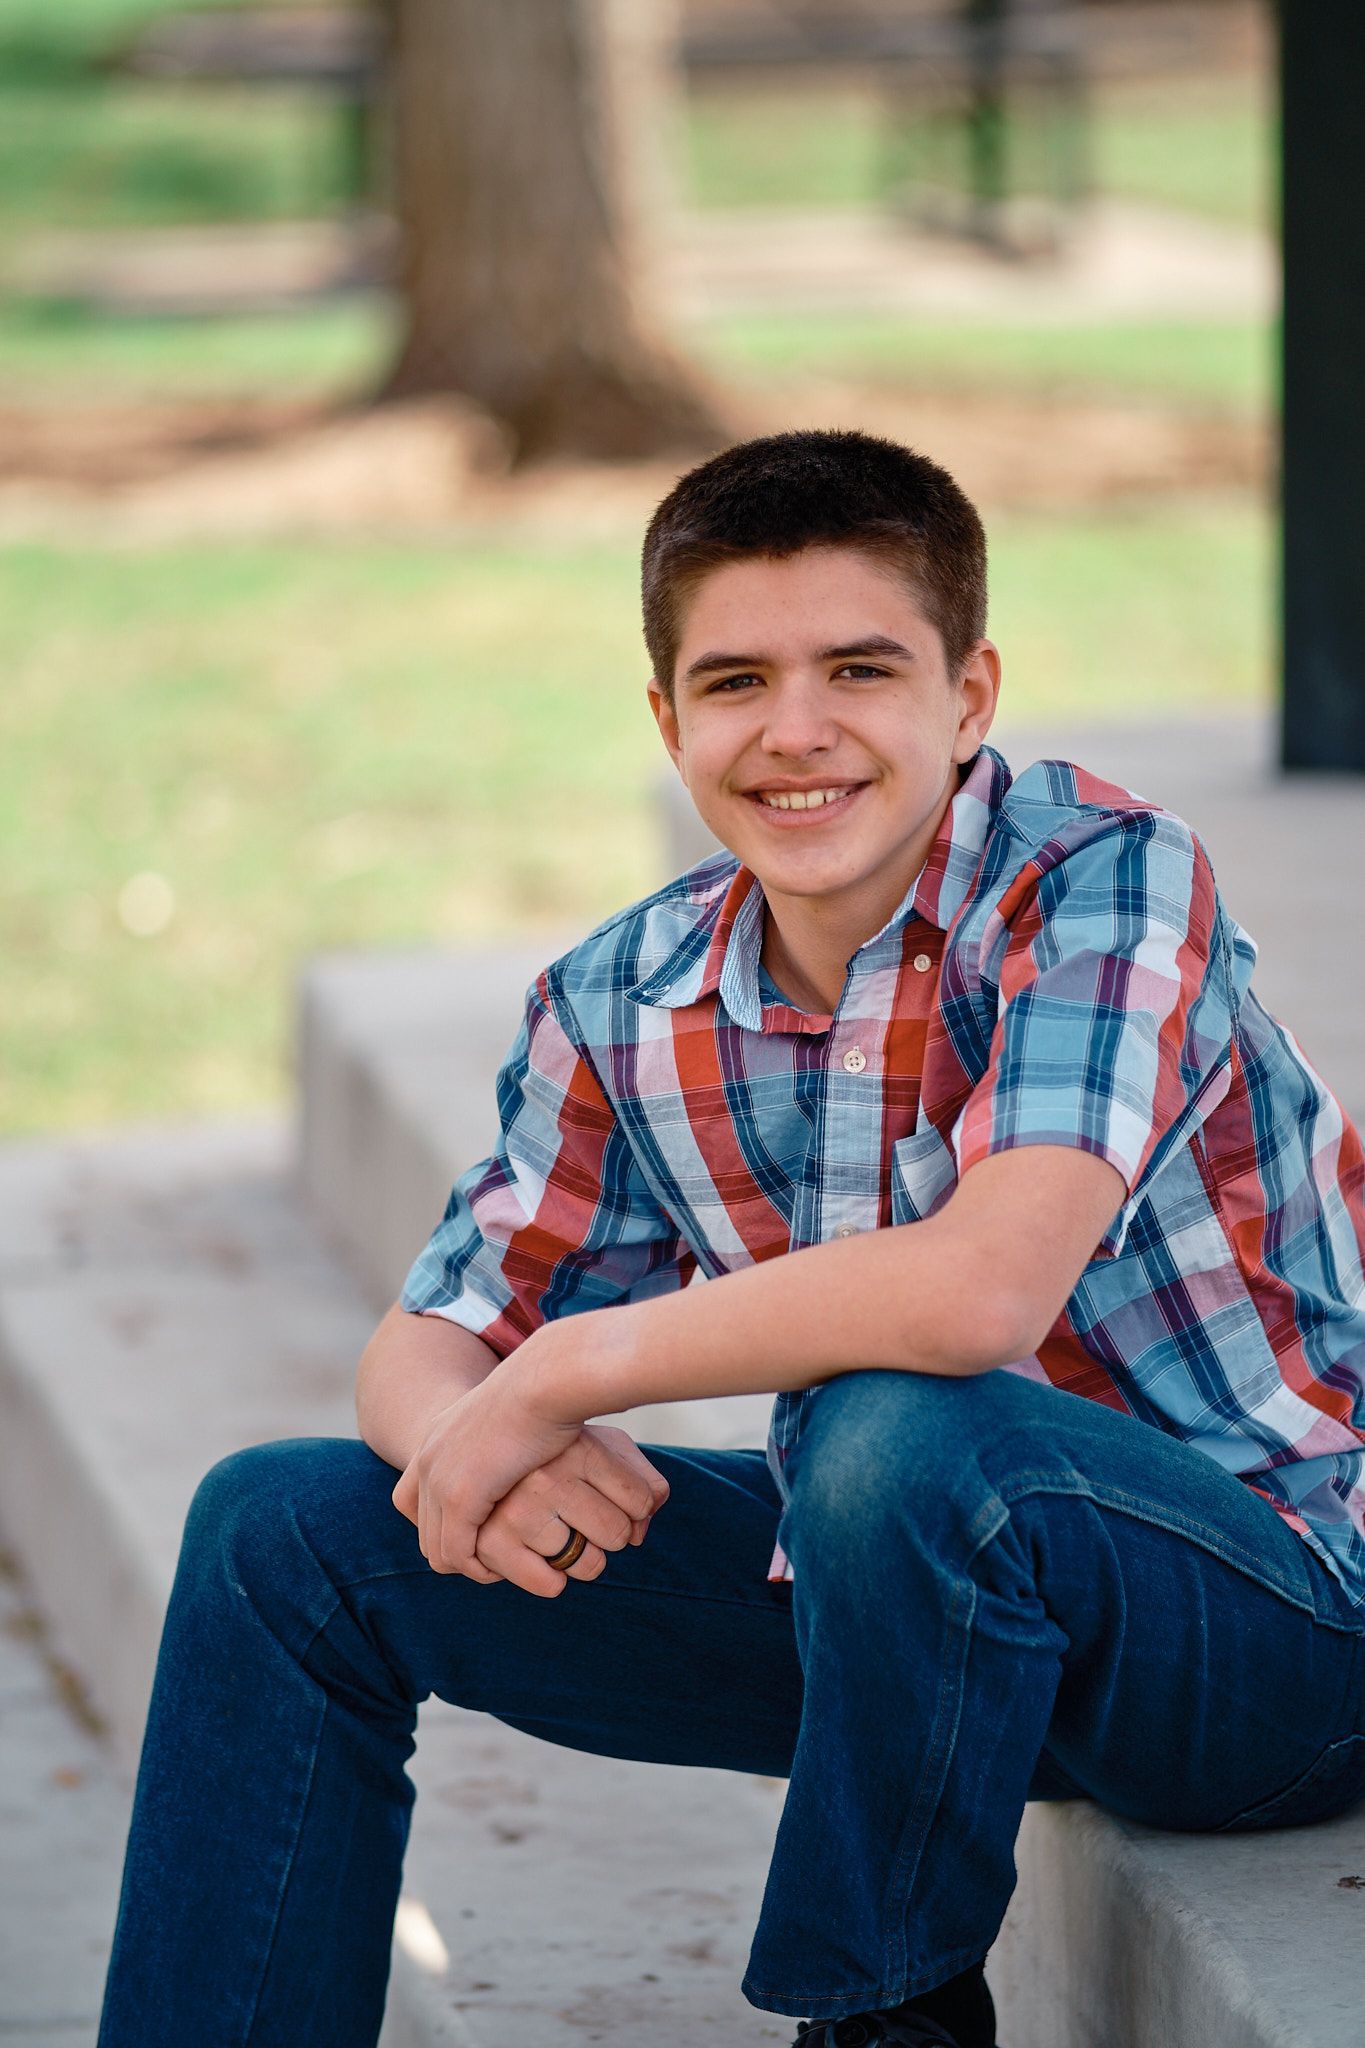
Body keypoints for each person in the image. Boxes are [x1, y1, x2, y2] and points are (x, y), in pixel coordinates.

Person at [98, 430, 1365, 2048]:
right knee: (283, 1531)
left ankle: (879, 2029)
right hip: (894, 1612)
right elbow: (433, 1333)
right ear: (665, 720)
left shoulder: (1101, 885)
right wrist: (470, 1441)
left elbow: (979, 1293)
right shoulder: (630, 995)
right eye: (734, 682)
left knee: (899, 1424)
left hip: (1259, 1639)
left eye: (858, 668)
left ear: (969, 696)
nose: (795, 732)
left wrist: (569, 1366)